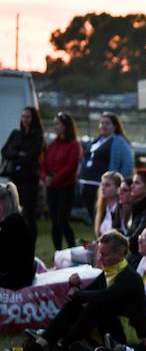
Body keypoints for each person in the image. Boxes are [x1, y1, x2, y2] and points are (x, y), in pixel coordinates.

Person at [23, 230, 146, 351]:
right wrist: (73, 286)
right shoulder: (108, 273)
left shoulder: (129, 277)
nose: (99, 258)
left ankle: (62, 348)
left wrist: (77, 292)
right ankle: (40, 344)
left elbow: (104, 296)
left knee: (97, 304)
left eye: (104, 255)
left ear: (120, 254)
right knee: (74, 306)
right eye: (99, 253)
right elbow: (81, 296)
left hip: (131, 335)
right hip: (113, 326)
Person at [78, 112, 134, 219]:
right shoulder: (95, 141)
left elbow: (127, 164)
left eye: (107, 123)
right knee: (94, 217)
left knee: (103, 217)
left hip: (102, 187)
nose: (103, 126)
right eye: (101, 123)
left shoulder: (120, 142)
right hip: (86, 184)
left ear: (115, 126)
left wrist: (120, 185)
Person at [2, 106, 45, 241]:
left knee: (29, 213)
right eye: (23, 116)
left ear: (33, 119)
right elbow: (4, 152)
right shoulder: (16, 134)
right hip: (15, 177)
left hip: (29, 178)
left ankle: (30, 242)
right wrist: (18, 154)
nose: (25, 120)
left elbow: (31, 157)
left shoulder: (38, 137)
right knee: (12, 210)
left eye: (28, 117)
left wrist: (15, 158)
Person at [41, 112, 82, 251]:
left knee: (62, 220)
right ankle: (58, 250)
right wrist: (45, 177)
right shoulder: (53, 144)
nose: (54, 127)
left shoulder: (73, 145)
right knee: (55, 221)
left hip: (65, 186)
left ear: (65, 126)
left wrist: (55, 179)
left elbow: (71, 166)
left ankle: (72, 249)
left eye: (57, 124)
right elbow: (44, 162)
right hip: (52, 187)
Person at [0, 181, 35, 290]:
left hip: (16, 279)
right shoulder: (17, 222)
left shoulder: (9, 227)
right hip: (22, 274)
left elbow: (4, 263)